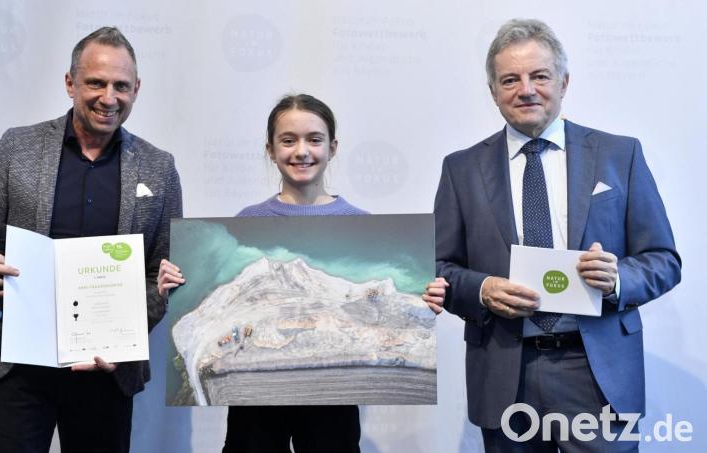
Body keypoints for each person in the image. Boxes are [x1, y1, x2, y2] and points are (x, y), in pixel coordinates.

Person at [433, 18, 681, 452]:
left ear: (563, 83)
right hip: (506, 372)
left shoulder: (620, 154)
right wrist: (483, 289)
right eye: (510, 80)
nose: (526, 89)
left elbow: (663, 259)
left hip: (596, 371)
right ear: (493, 92)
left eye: (540, 76)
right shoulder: (461, 169)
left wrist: (617, 279)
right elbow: (439, 266)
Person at [159, 93, 447, 452]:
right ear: (270, 149)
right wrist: (173, 284)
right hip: (256, 410)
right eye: (288, 140)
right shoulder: (249, 220)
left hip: (333, 405)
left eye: (314, 139)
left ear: (332, 147)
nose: (302, 151)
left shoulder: (359, 221)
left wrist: (425, 301)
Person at [0, 26, 182, 453]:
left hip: (107, 372)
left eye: (121, 86)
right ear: (70, 82)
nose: (108, 97)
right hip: (18, 370)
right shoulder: (15, 147)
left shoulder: (159, 168)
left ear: (136, 89)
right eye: (95, 83)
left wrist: (127, 337)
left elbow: (162, 273)